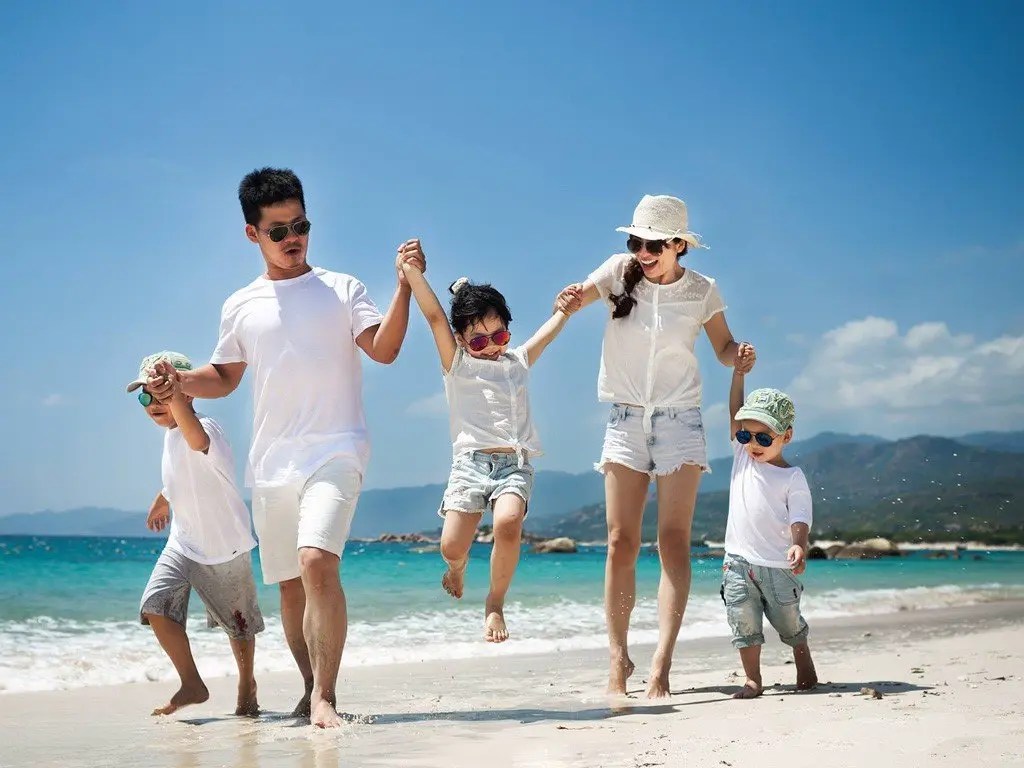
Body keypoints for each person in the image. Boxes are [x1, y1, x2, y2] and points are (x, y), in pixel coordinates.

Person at [146, 168, 422, 728]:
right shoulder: (240, 304)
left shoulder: (343, 289)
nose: (293, 237)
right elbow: (224, 376)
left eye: (301, 225)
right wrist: (177, 383)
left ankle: (325, 697)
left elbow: (385, 349)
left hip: (338, 449)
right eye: (278, 230)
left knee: (317, 561)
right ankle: (308, 687)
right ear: (253, 234)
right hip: (272, 464)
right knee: (292, 589)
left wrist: (403, 287)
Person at [557, 194, 751, 697]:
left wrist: (739, 357)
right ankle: (618, 658)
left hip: (680, 420)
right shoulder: (618, 271)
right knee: (620, 541)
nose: (643, 252)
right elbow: (579, 297)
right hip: (624, 420)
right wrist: (570, 298)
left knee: (672, 540)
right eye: (636, 243)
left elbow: (723, 346)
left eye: (654, 244)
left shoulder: (702, 290)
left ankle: (662, 662)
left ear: (679, 245)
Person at [399, 252, 581, 642]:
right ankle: (457, 569)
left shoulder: (517, 362)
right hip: (470, 464)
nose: (492, 347)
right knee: (451, 547)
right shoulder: (458, 365)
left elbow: (547, 335)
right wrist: (413, 273)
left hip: (514, 463)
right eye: (480, 341)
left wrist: (564, 311)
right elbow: (435, 317)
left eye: (499, 336)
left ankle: (495, 603)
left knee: (508, 523)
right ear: (461, 340)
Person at [128, 351, 263, 717]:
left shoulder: (206, 427)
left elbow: (197, 442)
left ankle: (246, 683)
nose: (153, 403)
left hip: (224, 546)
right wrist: (162, 498)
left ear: (188, 392)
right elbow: (181, 475)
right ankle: (192, 683)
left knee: (238, 625)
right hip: (183, 543)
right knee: (155, 607)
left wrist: (176, 399)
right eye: (146, 396)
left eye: (163, 393)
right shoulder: (170, 435)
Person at [724, 376, 818, 698]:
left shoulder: (792, 477)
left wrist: (799, 545)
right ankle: (753, 679)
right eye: (745, 434)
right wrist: (738, 374)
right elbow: (735, 410)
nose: (753, 444)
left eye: (763, 438)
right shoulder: (742, 457)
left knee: (788, 621)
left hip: (778, 566)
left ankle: (802, 657)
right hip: (737, 563)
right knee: (743, 621)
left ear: (786, 436)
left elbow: (800, 516)